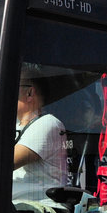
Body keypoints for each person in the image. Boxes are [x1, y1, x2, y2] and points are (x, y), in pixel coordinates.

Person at [11, 74, 68, 202]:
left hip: (38, 211)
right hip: (16, 207)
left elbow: (5, 162)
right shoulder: (15, 126)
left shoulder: (47, 123)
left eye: (11, 88)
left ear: (30, 93)